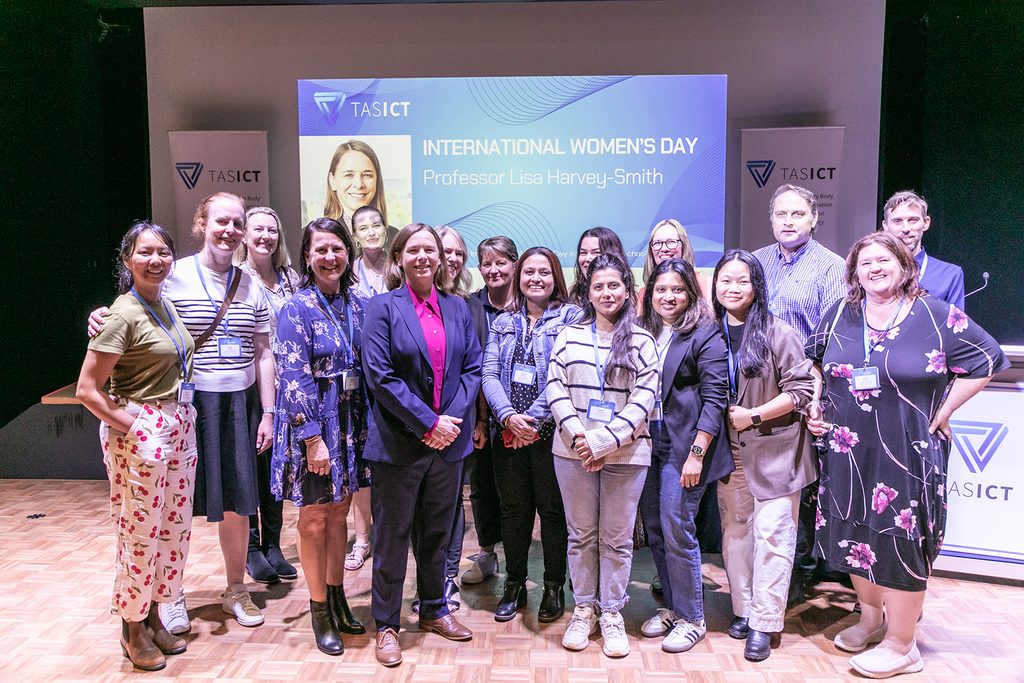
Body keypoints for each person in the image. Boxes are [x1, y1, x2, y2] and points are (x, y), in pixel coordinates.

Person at [804, 232, 1007, 679]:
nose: (874, 268)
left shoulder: (936, 315)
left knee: (900, 541)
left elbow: (988, 359)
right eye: (865, 263)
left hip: (908, 451)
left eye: (884, 260)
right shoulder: (840, 313)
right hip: (847, 449)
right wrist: (815, 401)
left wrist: (946, 408)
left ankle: (902, 644)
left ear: (905, 265)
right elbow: (814, 361)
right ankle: (871, 620)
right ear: (854, 273)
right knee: (855, 536)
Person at [89, 192, 275, 632]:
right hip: (184, 405)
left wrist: (268, 412)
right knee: (170, 506)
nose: (229, 230)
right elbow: (131, 314)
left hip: (239, 404)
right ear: (202, 223)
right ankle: (168, 595)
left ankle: (236, 589)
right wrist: (98, 316)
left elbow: (264, 352)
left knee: (239, 503)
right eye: (221, 221)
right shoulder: (173, 274)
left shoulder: (251, 284)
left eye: (237, 223)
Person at [360, 223, 482, 667]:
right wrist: (428, 423)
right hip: (400, 444)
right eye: (413, 250)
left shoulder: (457, 307)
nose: (423, 257)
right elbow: (380, 377)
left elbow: (472, 368)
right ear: (399, 258)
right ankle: (387, 624)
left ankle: (433, 608)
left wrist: (449, 424)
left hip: (448, 445)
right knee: (391, 536)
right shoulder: (381, 308)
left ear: (441, 258)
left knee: (436, 534)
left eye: (430, 249)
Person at [77, 222, 197, 671]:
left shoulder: (165, 304)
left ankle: (153, 616)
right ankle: (132, 627)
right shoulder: (121, 314)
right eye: (145, 252)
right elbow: (87, 390)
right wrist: (135, 426)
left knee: (172, 529)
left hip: (178, 423)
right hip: (143, 427)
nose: (156, 260)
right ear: (127, 260)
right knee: (139, 532)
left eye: (163, 252)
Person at [547, 254, 659, 658]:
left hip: (627, 454)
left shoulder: (642, 341)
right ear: (588, 292)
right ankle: (583, 610)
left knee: (616, 538)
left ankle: (611, 611)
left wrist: (605, 441)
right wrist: (582, 437)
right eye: (598, 286)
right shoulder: (569, 336)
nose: (606, 293)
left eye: (614, 285)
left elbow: (645, 399)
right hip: (572, 450)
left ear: (628, 291)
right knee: (580, 536)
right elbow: (555, 387)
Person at [712, 249, 817, 662]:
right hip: (728, 452)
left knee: (773, 537)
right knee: (736, 533)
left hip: (777, 452)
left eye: (742, 281)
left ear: (757, 286)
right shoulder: (710, 332)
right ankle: (744, 610)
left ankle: (765, 622)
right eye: (725, 280)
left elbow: (801, 391)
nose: (733, 288)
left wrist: (753, 415)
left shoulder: (778, 332)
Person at [271, 218, 369, 655]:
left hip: (351, 422)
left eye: (337, 248)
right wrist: (312, 438)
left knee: (339, 512)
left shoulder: (359, 304)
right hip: (313, 425)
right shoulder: (296, 308)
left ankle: (337, 595)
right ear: (307, 257)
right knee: (313, 518)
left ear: (348, 253)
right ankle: (318, 609)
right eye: (321, 250)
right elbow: (292, 377)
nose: (330, 257)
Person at [751, 183, 847, 603]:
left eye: (797, 214)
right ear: (771, 219)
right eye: (781, 214)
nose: (788, 221)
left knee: (800, 483)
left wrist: (816, 397)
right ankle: (763, 570)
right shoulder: (756, 261)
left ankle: (795, 576)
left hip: (805, 383)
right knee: (763, 481)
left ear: (813, 218)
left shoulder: (831, 267)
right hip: (756, 385)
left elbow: (833, 337)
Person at [481, 247, 582, 623]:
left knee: (553, 512)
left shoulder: (570, 318)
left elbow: (563, 374)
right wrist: (508, 417)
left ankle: (554, 586)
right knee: (513, 511)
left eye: (544, 272)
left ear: (555, 276)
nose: (536, 278)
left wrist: (533, 420)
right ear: (518, 276)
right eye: (529, 272)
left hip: (552, 433)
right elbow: (489, 373)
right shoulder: (503, 321)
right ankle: (515, 584)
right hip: (507, 434)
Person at [636, 258, 730, 653]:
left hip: (685, 446)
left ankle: (693, 618)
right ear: (650, 294)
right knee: (656, 527)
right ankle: (673, 609)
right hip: (647, 441)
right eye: (661, 289)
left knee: (677, 526)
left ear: (690, 292)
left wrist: (696, 454)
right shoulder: (643, 329)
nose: (668, 296)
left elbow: (716, 398)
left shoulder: (705, 332)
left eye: (677, 289)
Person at [235, 206, 300, 584]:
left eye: (272, 230)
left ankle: (273, 544)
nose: (265, 237)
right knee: (250, 465)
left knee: (277, 466)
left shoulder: (290, 278)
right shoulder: (235, 278)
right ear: (244, 235)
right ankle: (251, 548)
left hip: (285, 388)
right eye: (257, 229)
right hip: (248, 385)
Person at [460, 236, 519, 585]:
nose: (494, 269)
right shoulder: (469, 305)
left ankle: (517, 563)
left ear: (514, 265)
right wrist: (480, 418)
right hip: (479, 415)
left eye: (501, 262)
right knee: (481, 485)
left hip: (522, 416)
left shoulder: (529, 303)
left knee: (516, 492)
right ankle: (486, 554)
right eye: (487, 263)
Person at [343, 205, 391, 573]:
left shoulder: (399, 267)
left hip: (396, 375)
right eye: (363, 227)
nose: (371, 231)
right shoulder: (348, 273)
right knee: (362, 463)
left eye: (376, 224)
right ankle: (362, 539)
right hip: (358, 376)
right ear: (354, 235)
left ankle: (392, 532)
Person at [880, 190, 965, 309]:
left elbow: (954, 321)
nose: (906, 228)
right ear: (885, 226)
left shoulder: (949, 274)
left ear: (926, 223)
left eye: (913, 220)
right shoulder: (874, 271)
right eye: (897, 221)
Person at [322, 139, 398, 243]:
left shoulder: (394, 237)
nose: (358, 184)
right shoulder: (314, 235)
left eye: (367, 175)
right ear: (333, 181)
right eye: (348, 175)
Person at [640, 219, 713, 301]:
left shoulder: (707, 285)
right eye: (657, 243)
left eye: (671, 242)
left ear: (684, 246)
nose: (664, 249)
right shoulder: (644, 294)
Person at [568, 226, 628, 306]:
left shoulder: (634, 301)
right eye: (583, 253)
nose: (588, 258)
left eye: (596, 252)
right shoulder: (572, 295)